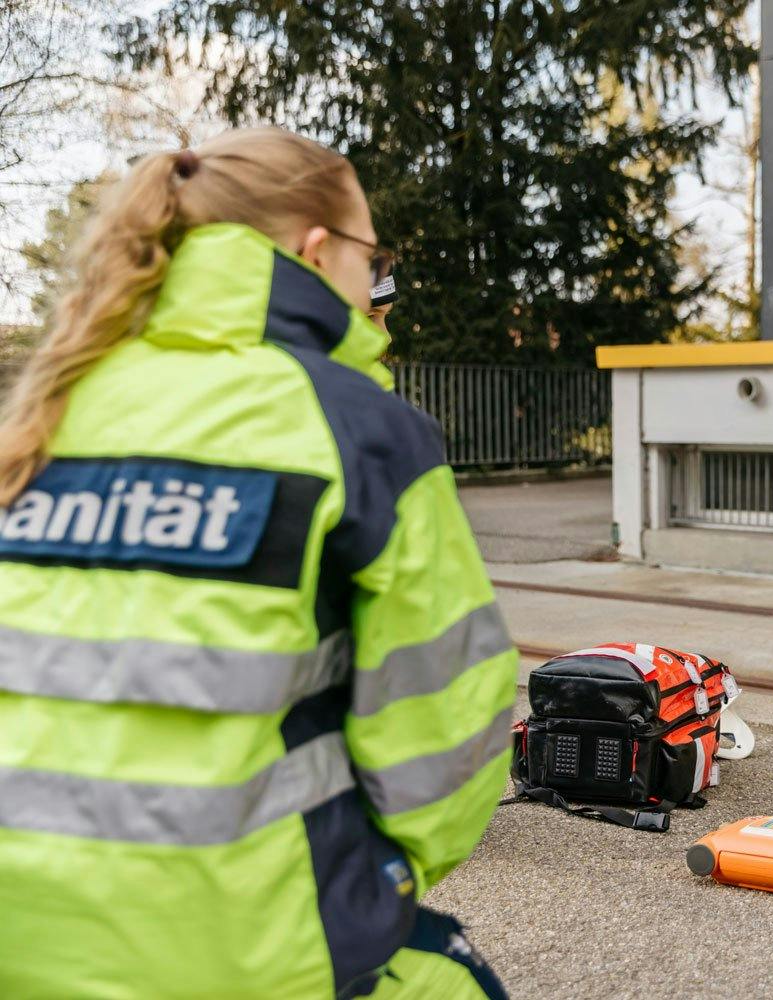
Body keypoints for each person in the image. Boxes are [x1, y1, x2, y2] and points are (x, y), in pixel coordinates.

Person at [0, 128, 516, 998]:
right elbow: (445, 744)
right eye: (372, 257)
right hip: (236, 948)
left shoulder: (50, 407)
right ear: (318, 251)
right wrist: (378, 880)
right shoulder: (356, 427)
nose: (376, 285)